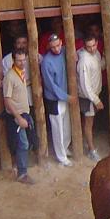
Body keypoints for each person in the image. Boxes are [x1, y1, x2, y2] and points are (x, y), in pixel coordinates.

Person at [39, 33, 73, 167]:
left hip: (65, 96)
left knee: (66, 125)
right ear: (49, 46)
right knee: (57, 128)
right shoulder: (46, 62)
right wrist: (66, 96)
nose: (56, 49)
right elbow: (50, 85)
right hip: (54, 99)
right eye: (53, 47)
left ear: (61, 43)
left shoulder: (64, 52)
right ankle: (61, 156)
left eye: (58, 45)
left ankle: (65, 148)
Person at [3, 47, 35, 184]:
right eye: (19, 60)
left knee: (25, 142)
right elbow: (7, 99)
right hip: (17, 116)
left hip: (23, 113)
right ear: (13, 60)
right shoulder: (10, 76)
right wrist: (18, 117)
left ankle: (20, 167)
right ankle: (22, 173)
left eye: (23, 60)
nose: (22, 63)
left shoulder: (21, 72)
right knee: (23, 144)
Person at [76, 34, 104, 161]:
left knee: (88, 121)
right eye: (89, 47)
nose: (92, 48)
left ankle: (87, 143)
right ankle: (91, 150)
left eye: (93, 45)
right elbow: (84, 84)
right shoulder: (83, 61)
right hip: (88, 97)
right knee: (88, 123)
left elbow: (99, 67)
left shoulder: (96, 53)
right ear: (84, 46)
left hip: (94, 94)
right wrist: (95, 100)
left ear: (97, 43)